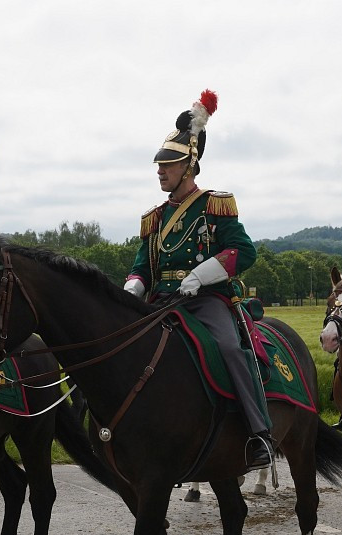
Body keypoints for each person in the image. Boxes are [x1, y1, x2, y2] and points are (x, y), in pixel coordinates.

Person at [123, 89, 272, 471]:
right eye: (159, 166)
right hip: (161, 300)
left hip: (207, 301)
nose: (160, 171)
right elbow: (143, 265)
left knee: (229, 349)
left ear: (188, 168)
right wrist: (131, 288)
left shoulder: (214, 205)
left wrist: (202, 275)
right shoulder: (153, 219)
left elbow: (244, 252)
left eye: (167, 166)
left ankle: (259, 434)